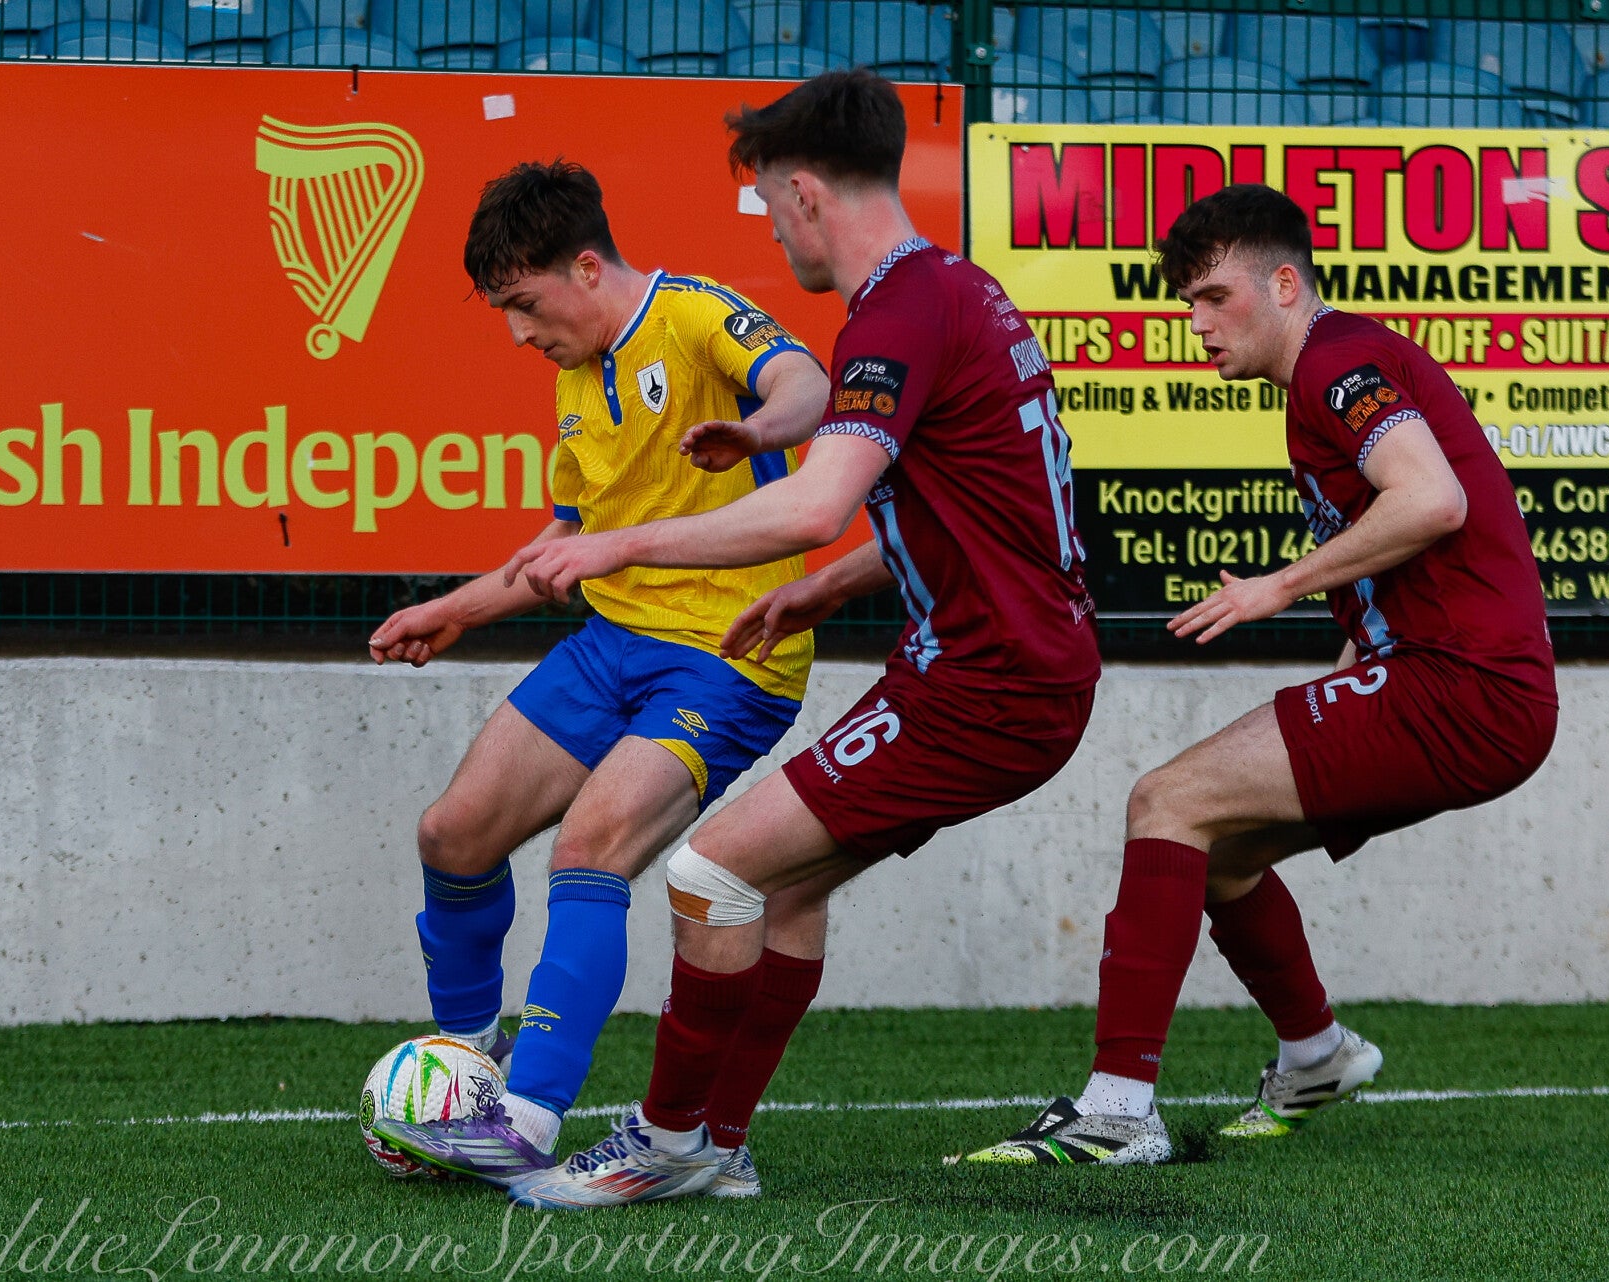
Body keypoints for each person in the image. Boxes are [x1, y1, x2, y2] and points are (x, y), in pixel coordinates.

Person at [381, 68, 1102, 1209]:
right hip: (921, 657)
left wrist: (688, 500)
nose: (767, 224)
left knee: (690, 866)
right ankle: (631, 1116)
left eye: (765, 199)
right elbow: (965, 508)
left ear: (802, 192)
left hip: (918, 671)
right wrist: (463, 607)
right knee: (492, 837)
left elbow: (812, 472)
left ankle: (600, 1131)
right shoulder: (950, 293)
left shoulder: (871, 313)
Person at [964, 183, 1558, 1166]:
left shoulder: (1335, 362)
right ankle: (1316, 1055)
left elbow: (1431, 500)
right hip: (1457, 686)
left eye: (1213, 297)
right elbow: (1401, 566)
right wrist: (1343, 680)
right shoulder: (1327, 371)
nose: (1196, 322)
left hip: (1465, 690)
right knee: (1217, 849)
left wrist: (1275, 586)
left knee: (1166, 799)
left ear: (1283, 285)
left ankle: (1116, 1111)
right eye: (1186, 303)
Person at [364, 159, 832, 1196]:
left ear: (585, 267)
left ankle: (525, 1119)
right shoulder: (576, 380)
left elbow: (807, 382)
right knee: (452, 834)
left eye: (524, 305)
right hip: (611, 642)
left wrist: (758, 430)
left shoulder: (695, 315)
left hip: (728, 655)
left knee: (590, 848)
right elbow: (567, 541)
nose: (516, 334)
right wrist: (454, 610)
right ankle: (467, 1064)